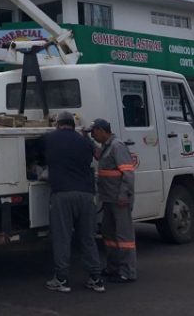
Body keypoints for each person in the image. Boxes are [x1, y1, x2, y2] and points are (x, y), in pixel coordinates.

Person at [43, 112, 105, 293]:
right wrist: (87, 138)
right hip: (86, 195)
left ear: (58, 124)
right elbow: (98, 155)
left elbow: (37, 153)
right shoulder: (85, 141)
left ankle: (61, 279)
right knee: (88, 238)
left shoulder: (50, 139)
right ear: (72, 124)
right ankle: (96, 278)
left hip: (62, 194)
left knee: (62, 237)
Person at [88, 117, 137, 283]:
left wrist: (124, 195)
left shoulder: (117, 146)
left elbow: (128, 173)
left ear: (102, 130)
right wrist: (84, 138)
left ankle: (127, 272)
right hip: (108, 198)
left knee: (124, 236)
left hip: (119, 199)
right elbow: (97, 155)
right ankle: (113, 268)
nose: (93, 136)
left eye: (93, 132)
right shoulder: (106, 147)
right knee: (109, 234)